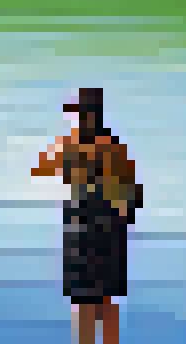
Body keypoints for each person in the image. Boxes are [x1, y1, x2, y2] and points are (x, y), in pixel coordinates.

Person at [31, 87, 141, 344]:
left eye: (75, 113)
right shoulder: (113, 146)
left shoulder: (74, 145)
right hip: (106, 224)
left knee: (86, 300)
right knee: (102, 298)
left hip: (87, 224)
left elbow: (40, 167)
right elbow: (133, 193)